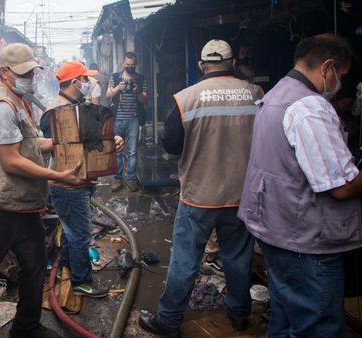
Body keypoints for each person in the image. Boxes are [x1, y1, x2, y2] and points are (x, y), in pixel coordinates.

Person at [238, 34, 362, 337]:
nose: (340, 83)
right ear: (327, 68)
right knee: (317, 327)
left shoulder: (277, 94)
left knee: (286, 319)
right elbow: (340, 187)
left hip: (277, 231)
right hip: (306, 243)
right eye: (340, 76)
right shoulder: (310, 107)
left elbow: (291, 163)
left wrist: (358, 155)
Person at [139, 39, 264, 337]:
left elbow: (170, 144)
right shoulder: (256, 94)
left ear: (201, 66)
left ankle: (169, 321)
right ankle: (238, 316)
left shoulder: (186, 98)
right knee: (237, 259)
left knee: (184, 262)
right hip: (240, 195)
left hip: (199, 197)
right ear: (233, 63)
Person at [0, 43, 83, 338]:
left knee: (34, 270)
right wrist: (57, 175)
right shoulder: (2, 106)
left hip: (23, 206)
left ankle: (26, 327)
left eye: (31, 71)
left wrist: (58, 144)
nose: (29, 76)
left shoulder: (18, 100)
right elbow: (12, 160)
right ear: (4, 73)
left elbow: (27, 145)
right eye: (23, 72)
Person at [40, 61, 124, 298]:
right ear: (74, 81)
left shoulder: (78, 106)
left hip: (80, 181)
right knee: (80, 234)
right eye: (85, 79)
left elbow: (90, 139)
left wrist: (113, 139)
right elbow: (54, 140)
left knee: (70, 230)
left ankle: (66, 263)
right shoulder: (56, 111)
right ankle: (81, 281)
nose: (89, 83)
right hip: (68, 184)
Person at [106, 52, 148, 192]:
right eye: (127, 64)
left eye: (132, 65)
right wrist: (119, 88)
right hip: (117, 118)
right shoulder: (115, 77)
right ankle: (118, 179)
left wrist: (138, 91)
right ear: (123, 64)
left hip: (133, 119)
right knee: (117, 150)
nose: (130, 67)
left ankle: (131, 179)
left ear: (136, 64)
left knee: (132, 151)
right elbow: (108, 95)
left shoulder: (141, 79)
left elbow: (145, 100)